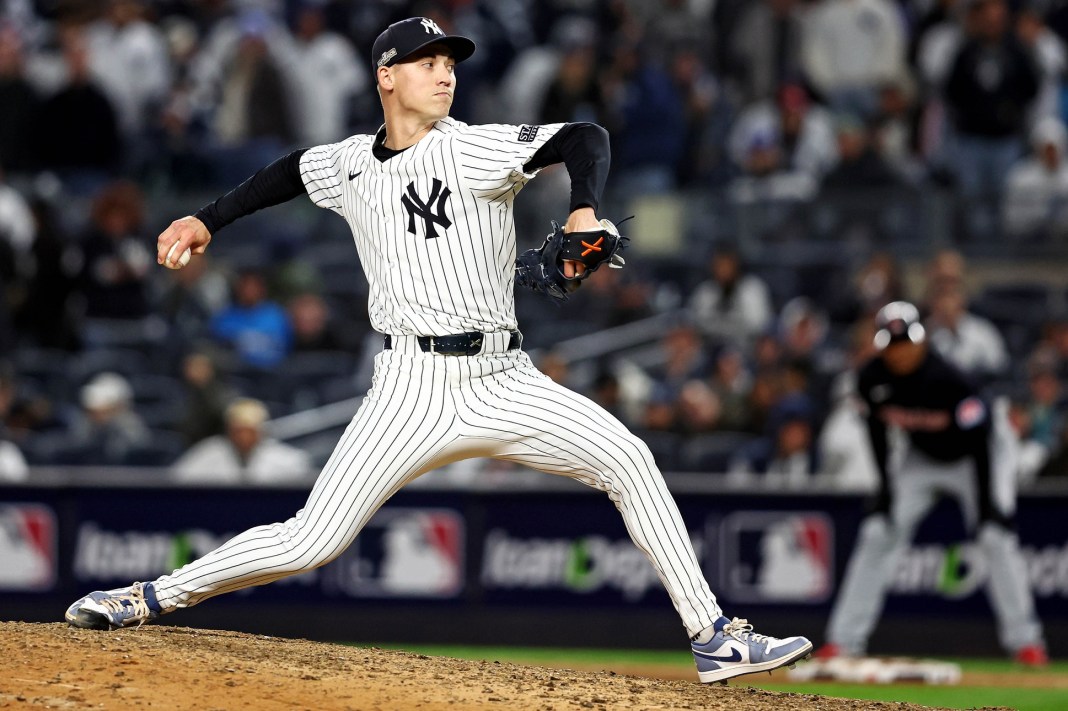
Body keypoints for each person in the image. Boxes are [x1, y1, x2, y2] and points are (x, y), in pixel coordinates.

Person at [63, 16, 812, 684]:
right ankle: (147, 596)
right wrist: (206, 218)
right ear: (386, 76)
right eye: (426, 61)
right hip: (408, 386)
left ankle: (714, 636)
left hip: (501, 374)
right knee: (310, 540)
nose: (445, 71)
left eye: (450, 61)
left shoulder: (477, 149)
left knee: (628, 459)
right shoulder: (351, 162)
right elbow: (290, 168)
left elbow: (585, 137)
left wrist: (583, 205)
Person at [815, 301, 1047, 666]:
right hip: (921, 457)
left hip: (978, 455)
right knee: (878, 532)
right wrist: (885, 489)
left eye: (906, 342)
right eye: (892, 344)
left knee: (995, 536)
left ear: (921, 341)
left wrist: (988, 504)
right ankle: (843, 642)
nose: (900, 351)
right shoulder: (871, 378)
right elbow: (877, 431)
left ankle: (1027, 642)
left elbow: (980, 436)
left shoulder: (948, 377)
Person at [171, 398, 311, 485]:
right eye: (239, 430)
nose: (244, 437)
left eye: (250, 431)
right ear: (229, 430)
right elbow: (175, 483)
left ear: (261, 432)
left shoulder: (288, 459)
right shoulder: (207, 452)